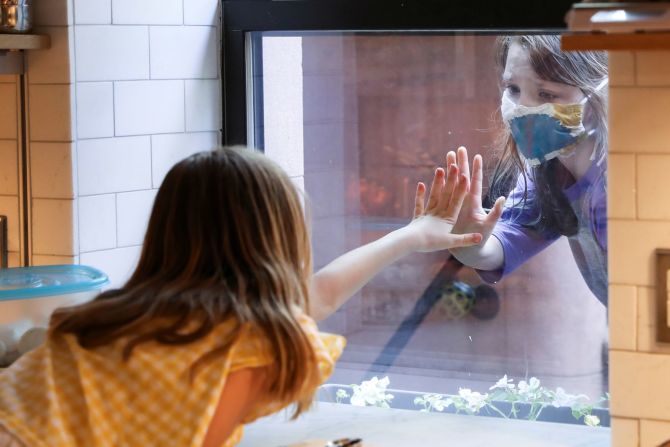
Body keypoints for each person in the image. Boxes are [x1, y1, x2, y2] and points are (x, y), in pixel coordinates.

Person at [0, 146, 481, 447]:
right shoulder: (248, 347)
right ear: (276, 245)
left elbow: (320, 294)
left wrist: (412, 235)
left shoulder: (127, 314)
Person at [447, 35, 609, 306]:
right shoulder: (550, 170)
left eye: (546, 94)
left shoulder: (620, 180)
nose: (522, 108)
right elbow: (507, 239)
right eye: (513, 88)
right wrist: (471, 246)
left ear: (598, 94)